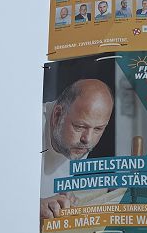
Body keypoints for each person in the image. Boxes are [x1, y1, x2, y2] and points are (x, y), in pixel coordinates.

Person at [40, 79, 117, 218]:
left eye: (98, 129)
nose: (88, 139)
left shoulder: (77, 142)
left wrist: (63, 194)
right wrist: (35, 205)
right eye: (79, 127)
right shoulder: (27, 129)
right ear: (57, 115)